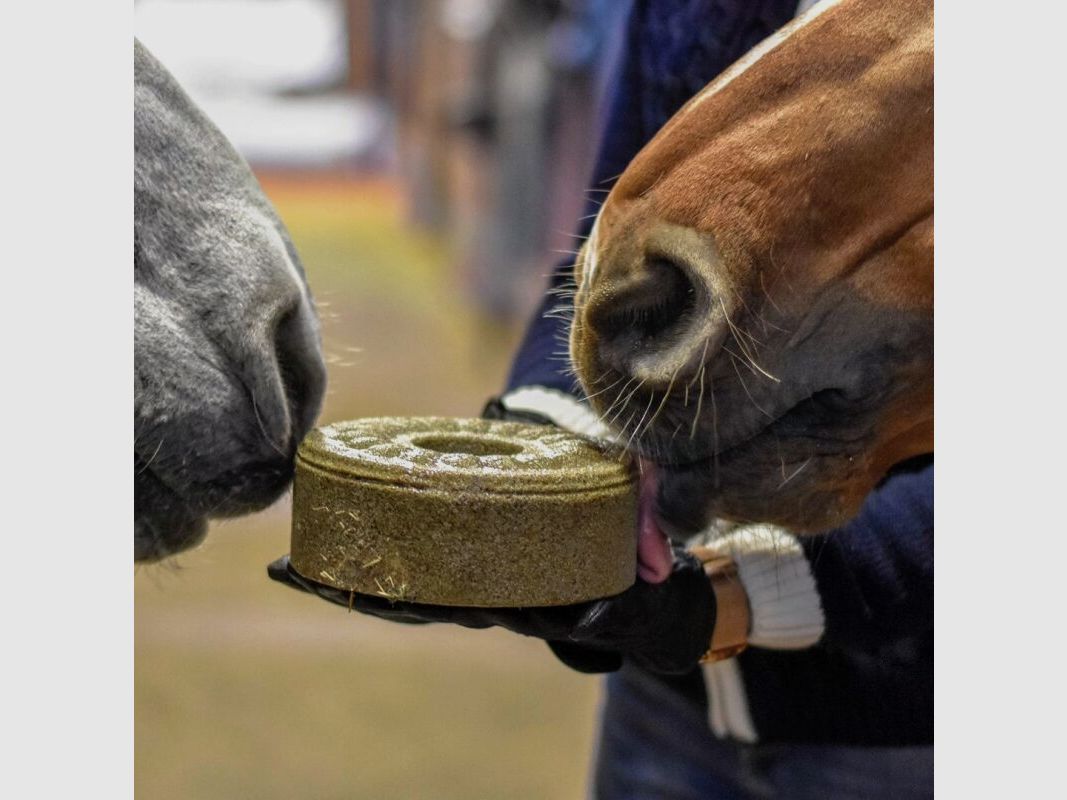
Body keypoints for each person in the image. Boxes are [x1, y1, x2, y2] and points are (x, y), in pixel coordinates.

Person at [271, 1, 934, 797]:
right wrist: (539, 450)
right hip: (664, 713)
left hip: (901, 737)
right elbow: (611, 251)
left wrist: (722, 600)